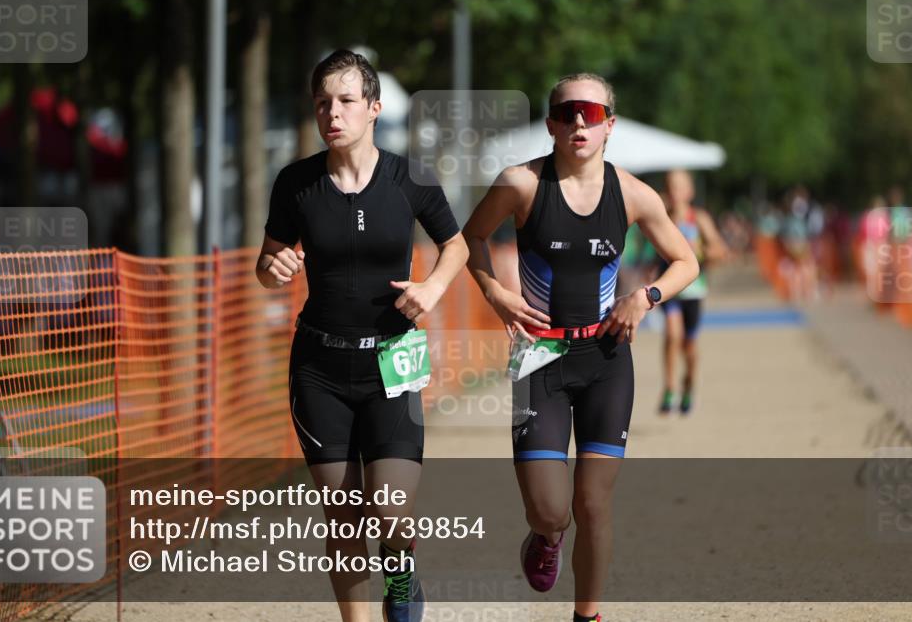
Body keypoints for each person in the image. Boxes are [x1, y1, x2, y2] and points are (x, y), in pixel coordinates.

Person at [461, 73, 698, 622]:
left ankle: (586, 616)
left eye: (591, 113)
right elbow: (470, 238)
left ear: (610, 125)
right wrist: (495, 292)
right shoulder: (520, 184)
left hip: (606, 356)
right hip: (536, 356)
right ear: (550, 124)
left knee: (593, 504)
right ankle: (545, 536)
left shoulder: (635, 194)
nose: (578, 123)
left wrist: (647, 296)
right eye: (566, 113)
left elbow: (687, 261)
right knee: (551, 509)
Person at [256, 49, 468, 622]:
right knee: (344, 521)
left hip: (391, 364)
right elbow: (269, 258)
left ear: (373, 108)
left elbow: (458, 245)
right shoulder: (296, 183)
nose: (333, 113)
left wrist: (432, 289)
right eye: (323, 102)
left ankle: (401, 577)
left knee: (393, 511)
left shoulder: (410, 178)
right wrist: (273, 266)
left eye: (347, 101)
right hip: (319, 370)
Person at [655, 169, 728, 414]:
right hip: (670, 288)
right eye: (670, 186)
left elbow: (720, 250)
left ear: (690, 191)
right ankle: (669, 388)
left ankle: (689, 384)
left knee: (689, 345)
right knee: (673, 334)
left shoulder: (699, 219)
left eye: (679, 186)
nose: (674, 192)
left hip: (694, 291)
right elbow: (650, 250)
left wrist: (701, 251)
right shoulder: (661, 218)